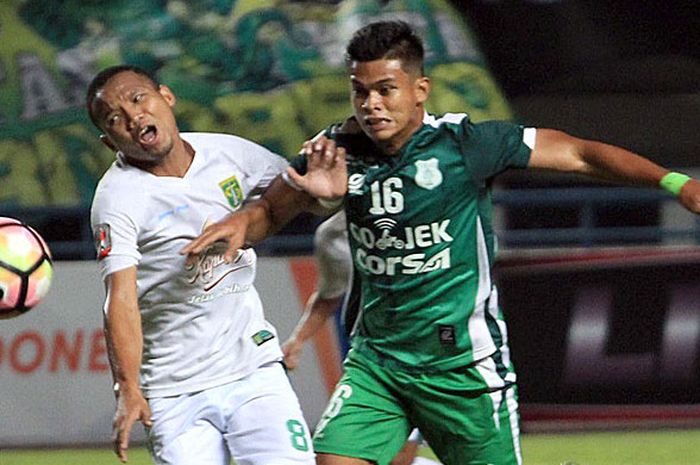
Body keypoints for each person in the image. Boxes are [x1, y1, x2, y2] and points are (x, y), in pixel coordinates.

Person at [181, 20, 700, 465]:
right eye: (360, 91)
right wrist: (245, 221)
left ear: (420, 89)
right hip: (377, 362)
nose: (372, 104)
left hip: (463, 367)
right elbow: (272, 209)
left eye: (386, 89)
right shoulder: (335, 151)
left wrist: (672, 182)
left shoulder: (464, 144)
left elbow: (580, 154)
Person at [87, 65, 316, 465]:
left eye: (139, 99)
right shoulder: (117, 199)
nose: (133, 116)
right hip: (173, 391)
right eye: (115, 118)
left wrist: (325, 189)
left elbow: (295, 191)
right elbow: (119, 299)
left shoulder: (231, 153)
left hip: (253, 371)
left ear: (167, 97)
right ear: (111, 142)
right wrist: (128, 388)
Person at [281, 210, 440, 465]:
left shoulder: (423, 209)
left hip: (434, 355)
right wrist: (297, 340)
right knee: (344, 456)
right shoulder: (333, 235)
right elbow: (328, 296)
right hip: (371, 360)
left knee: (399, 458)